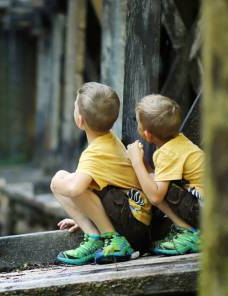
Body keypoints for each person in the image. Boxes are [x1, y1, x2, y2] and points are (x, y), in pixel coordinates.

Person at [51, 82, 152, 265]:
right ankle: (97, 231)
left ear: (80, 120)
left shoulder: (95, 154)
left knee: (64, 180)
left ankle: (108, 239)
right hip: (137, 217)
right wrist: (85, 214)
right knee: (78, 180)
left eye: (75, 106)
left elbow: (75, 189)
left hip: (133, 225)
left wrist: (55, 183)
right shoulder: (109, 140)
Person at [126, 94, 204, 255]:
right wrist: (145, 167)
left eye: (138, 122)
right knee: (154, 180)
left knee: (157, 189)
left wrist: (136, 162)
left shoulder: (167, 153)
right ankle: (189, 231)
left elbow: (156, 197)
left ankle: (190, 234)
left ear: (147, 135)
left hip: (203, 210)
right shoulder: (178, 142)